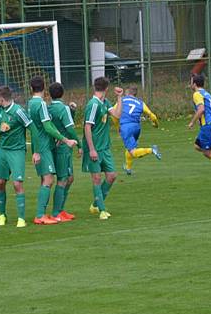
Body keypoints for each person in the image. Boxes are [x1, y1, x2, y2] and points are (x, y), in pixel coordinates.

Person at [27, 76, 77, 225]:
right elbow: (47, 127)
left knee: (47, 179)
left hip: (41, 145)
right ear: (44, 89)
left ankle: (45, 213)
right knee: (48, 179)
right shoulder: (41, 104)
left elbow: (40, 127)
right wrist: (65, 139)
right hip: (43, 147)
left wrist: (57, 137)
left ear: (31, 89)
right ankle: (40, 215)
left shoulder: (30, 104)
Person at [0, 85, 33, 228]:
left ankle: (21, 218)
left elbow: (31, 127)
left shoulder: (19, 111)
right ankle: (2, 215)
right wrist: (1, 130)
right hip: (2, 150)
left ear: (2, 99)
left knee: (17, 184)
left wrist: (36, 150)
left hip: (17, 151)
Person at [82, 76, 123, 220]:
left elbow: (117, 115)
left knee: (112, 176)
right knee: (97, 178)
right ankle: (102, 210)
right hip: (95, 148)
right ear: (106, 88)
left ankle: (95, 204)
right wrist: (92, 149)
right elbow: (87, 127)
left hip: (105, 148)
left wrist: (119, 98)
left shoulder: (105, 102)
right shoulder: (93, 105)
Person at [47, 82, 81, 221]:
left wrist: (72, 112)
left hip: (54, 145)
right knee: (63, 179)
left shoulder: (48, 108)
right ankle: (56, 213)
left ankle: (60, 209)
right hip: (63, 147)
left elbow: (59, 123)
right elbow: (70, 128)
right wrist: (79, 144)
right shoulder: (63, 108)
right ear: (63, 93)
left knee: (69, 178)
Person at [118, 85, 161, 175]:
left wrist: (117, 126)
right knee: (130, 147)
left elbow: (115, 113)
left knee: (133, 151)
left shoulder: (122, 100)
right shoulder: (140, 102)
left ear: (128, 92)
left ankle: (151, 150)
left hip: (126, 127)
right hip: (137, 127)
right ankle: (128, 168)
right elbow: (152, 115)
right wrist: (155, 124)